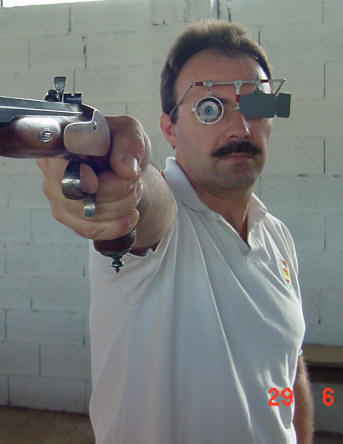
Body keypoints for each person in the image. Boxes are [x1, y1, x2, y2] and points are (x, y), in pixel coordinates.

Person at [37, 19, 313, 444]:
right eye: (210, 108)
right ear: (170, 129)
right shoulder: (162, 231)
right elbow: (145, 203)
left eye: (256, 105)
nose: (240, 128)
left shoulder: (277, 237)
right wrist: (118, 173)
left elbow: (289, 373)